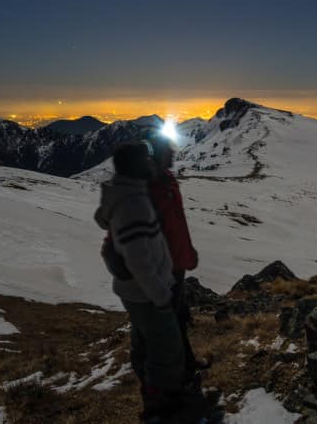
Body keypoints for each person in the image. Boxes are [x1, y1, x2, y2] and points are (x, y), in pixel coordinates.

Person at [96, 140, 187, 421]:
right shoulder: (133, 204)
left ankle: (159, 396)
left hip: (141, 291)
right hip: (146, 293)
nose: (152, 163)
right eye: (146, 160)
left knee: (153, 341)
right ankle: (159, 404)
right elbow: (140, 261)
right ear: (136, 166)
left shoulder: (130, 195)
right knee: (165, 347)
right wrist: (161, 295)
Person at [146, 137, 202, 384]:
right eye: (169, 151)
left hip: (177, 260)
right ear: (158, 154)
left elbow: (177, 223)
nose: (174, 155)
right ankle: (176, 373)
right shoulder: (152, 184)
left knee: (178, 316)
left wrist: (188, 251)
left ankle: (185, 366)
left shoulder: (167, 179)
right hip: (164, 265)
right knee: (170, 320)